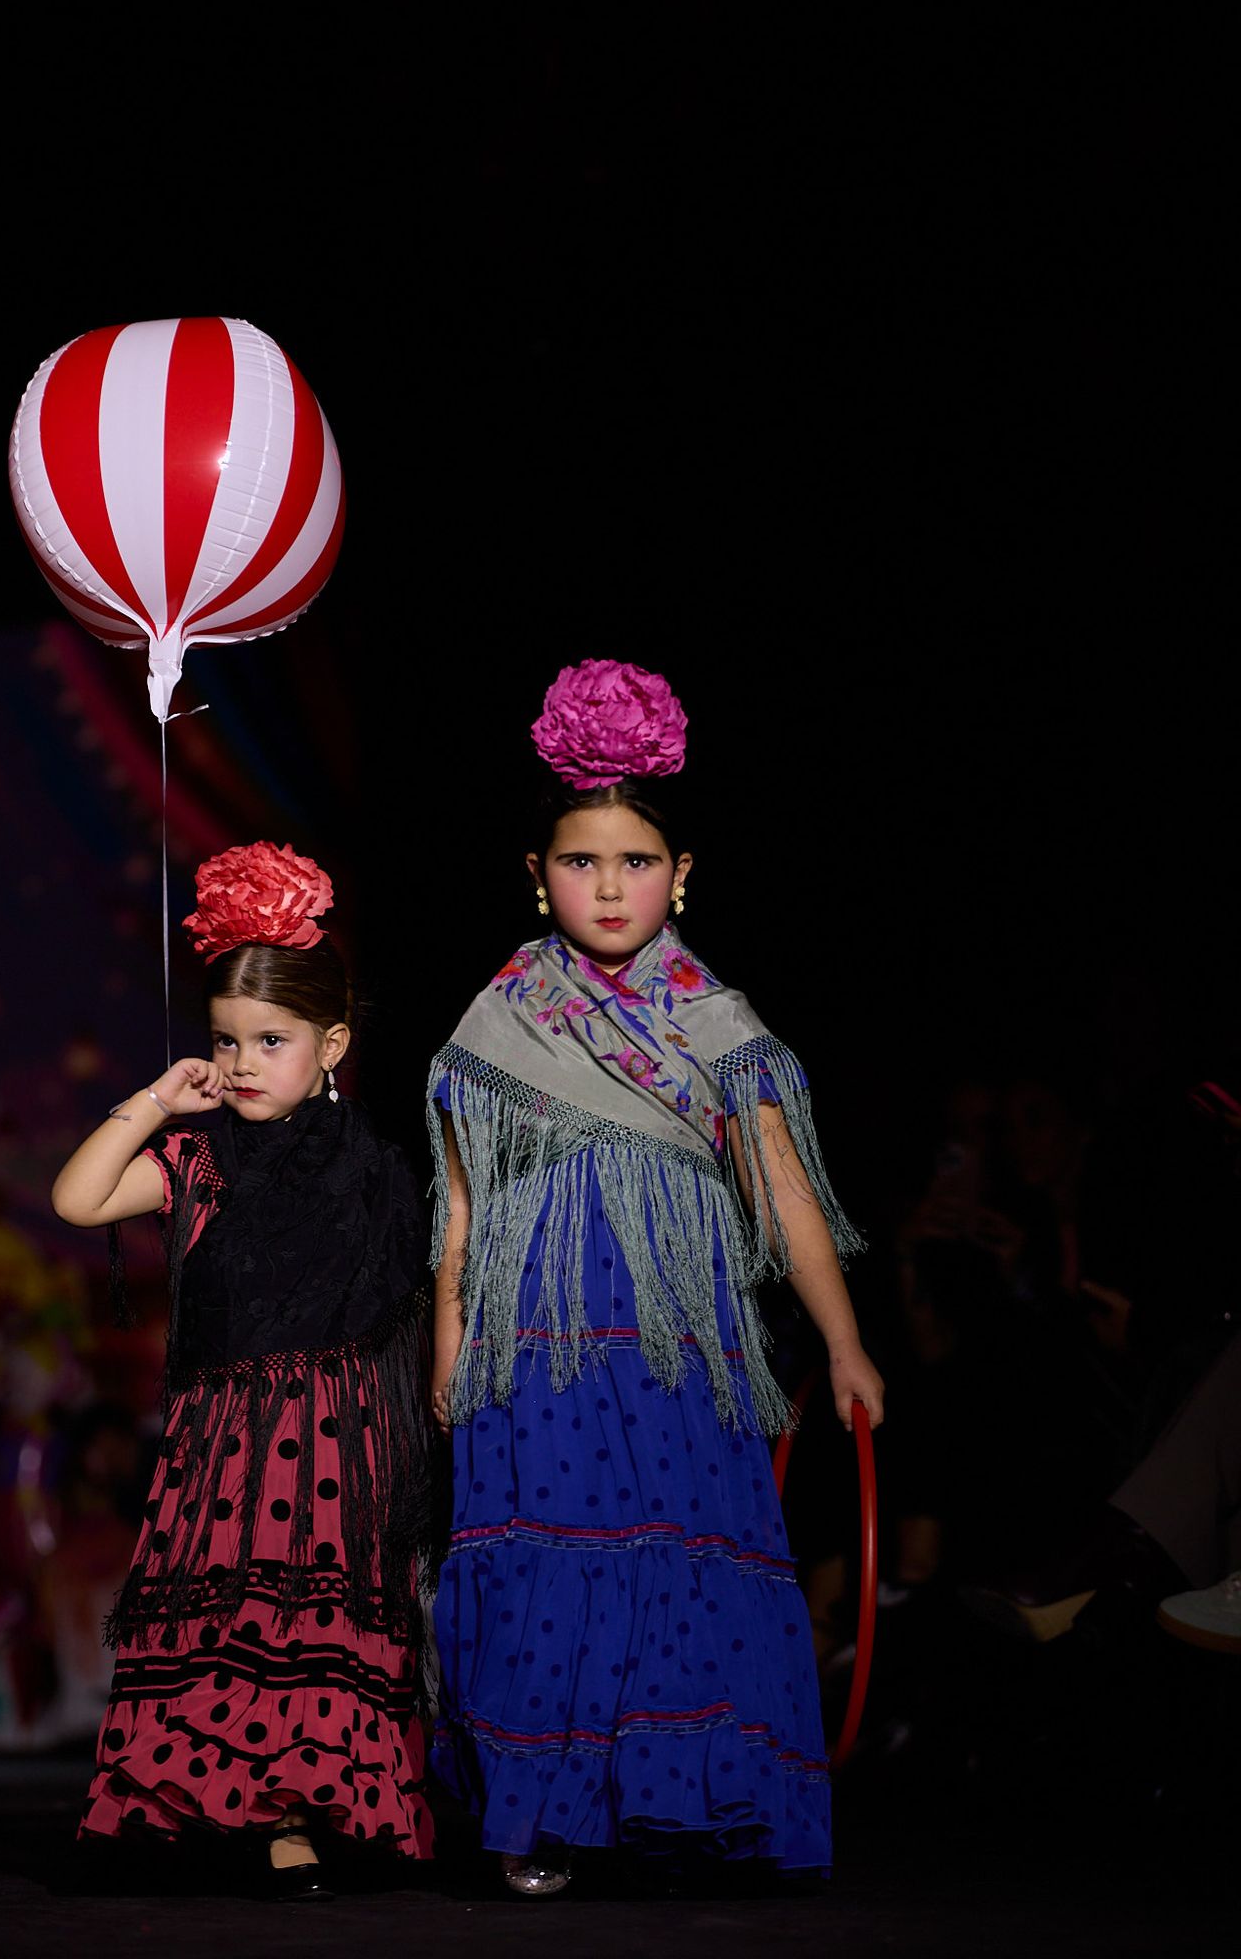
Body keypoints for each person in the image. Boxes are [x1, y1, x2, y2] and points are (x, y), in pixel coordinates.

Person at [425, 660, 883, 1896]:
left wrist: (840, 1342)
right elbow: (460, 1196)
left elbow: (785, 1193)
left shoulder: (716, 1023)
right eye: (582, 861)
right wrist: (448, 1334)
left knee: (683, 1554)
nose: (610, 885)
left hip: (684, 1337)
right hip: (542, 1338)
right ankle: (539, 1812)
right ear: (537, 875)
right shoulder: (501, 1017)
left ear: (681, 875)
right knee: (552, 1556)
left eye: (636, 861)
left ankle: (694, 1803)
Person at [52, 842, 436, 1899]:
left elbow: (422, 1295)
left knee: (317, 1623)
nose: (246, 1060)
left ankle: (308, 1814)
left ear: (334, 1043)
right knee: (229, 1622)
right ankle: (233, 1812)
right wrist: (157, 1098)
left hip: (341, 1436)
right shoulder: (201, 1156)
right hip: (229, 1446)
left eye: (273, 1039)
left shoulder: (381, 1171)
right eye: (228, 1040)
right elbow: (78, 1199)